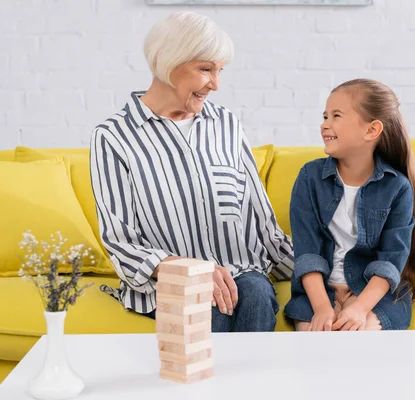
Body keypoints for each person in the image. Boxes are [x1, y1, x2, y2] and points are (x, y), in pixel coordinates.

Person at [90, 12, 293, 332]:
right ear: (169, 63)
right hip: (170, 281)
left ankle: (246, 383)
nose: (216, 83)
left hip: (241, 271)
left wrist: (319, 275)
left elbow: (261, 220)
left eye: (220, 70)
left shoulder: (226, 124)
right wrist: (189, 269)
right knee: (209, 309)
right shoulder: (114, 137)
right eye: (205, 69)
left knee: (254, 294)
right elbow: (121, 242)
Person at [283, 79, 415, 331]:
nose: (324, 124)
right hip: (319, 293)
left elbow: (390, 260)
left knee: (362, 341)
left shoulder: (397, 188)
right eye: (325, 116)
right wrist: (322, 308)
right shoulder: (309, 178)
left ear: (371, 130)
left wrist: (360, 308)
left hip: (372, 293)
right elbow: (307, 253)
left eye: (336, 116)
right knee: (315, 345)